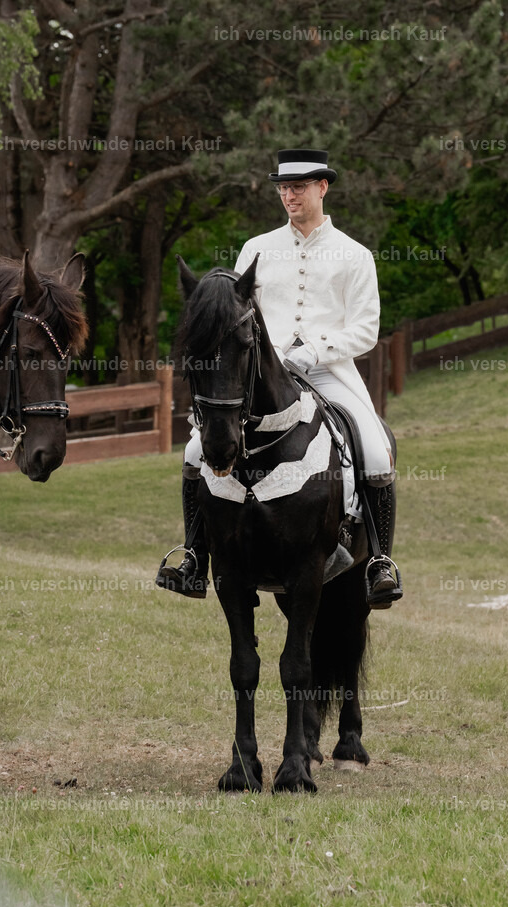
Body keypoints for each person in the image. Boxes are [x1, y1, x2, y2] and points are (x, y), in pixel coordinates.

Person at [157, 148, 402, 608]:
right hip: (261, 376)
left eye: (299, 187)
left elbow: (366, 329)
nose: (289, 196)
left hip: (329, 372)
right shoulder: (257, 248)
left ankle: (378, 563)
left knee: (375, 448)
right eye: (284, 188)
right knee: (194, 449)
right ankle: (192, 555)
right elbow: (237, 313)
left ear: (322, 187)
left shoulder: (354, 254)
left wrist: (312, 352)